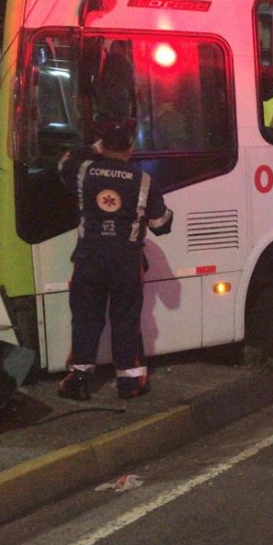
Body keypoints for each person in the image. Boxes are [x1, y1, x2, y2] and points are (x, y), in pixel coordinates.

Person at [57, 117, 173, 401]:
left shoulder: (84, 171)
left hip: (89, 257)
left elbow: (63, 163)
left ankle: (79, 381)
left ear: (103, 146)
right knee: (126, 319)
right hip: (126, 261)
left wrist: (95, 147)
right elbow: (160, 224)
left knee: (86, 318)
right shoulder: (143, 180)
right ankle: (130, 384)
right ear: (130, 148)